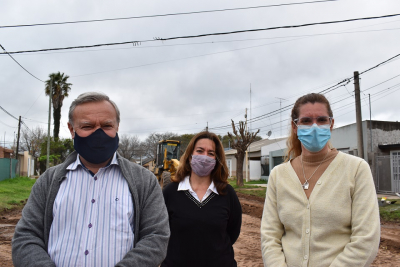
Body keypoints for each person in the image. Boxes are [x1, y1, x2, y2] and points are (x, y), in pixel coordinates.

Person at [12, 92, 170, 267]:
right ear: (72, 130)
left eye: (106, 125)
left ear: (117, 126)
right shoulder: (48, 181)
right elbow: (26, 237)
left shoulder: (144, 181)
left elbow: (156, 237)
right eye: (87, 126)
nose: (98, 133)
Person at [260, 93, 380, 267]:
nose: (314, 126)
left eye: (322, 120)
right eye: (306, 121)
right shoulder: (278, 175)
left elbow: (366, 240)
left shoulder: (356, 169)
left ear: (331, 124)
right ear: (295, 126)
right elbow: (270, 236)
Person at [162, 131, 242, 267]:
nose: (205, 157)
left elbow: (232, 232)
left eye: (211, 153)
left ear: (216, 160)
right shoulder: (170, 192)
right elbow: (162, 231)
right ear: (189, 156)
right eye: (200, 151)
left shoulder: (227, 194)